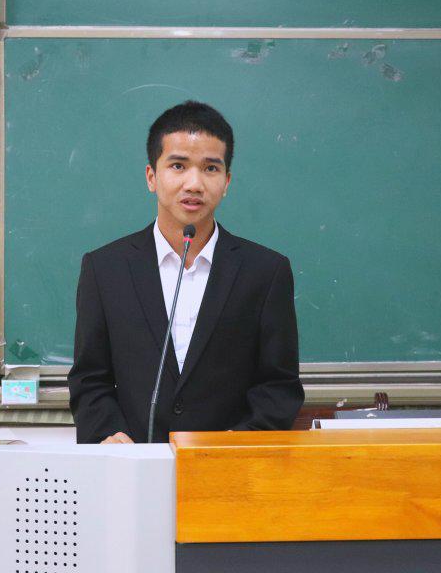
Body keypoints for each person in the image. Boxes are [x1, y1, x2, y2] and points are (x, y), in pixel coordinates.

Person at [68, 101, 304, 444]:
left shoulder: (265, 272)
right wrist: (110, 434)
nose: (194, 184)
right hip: (133, 462)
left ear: (227, 181)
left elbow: (278, 386)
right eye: (178, 166)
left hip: (228, 465)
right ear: (152, 176)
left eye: (210, 168)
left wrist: (234, 445)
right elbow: (90, 379)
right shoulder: (105, 269)